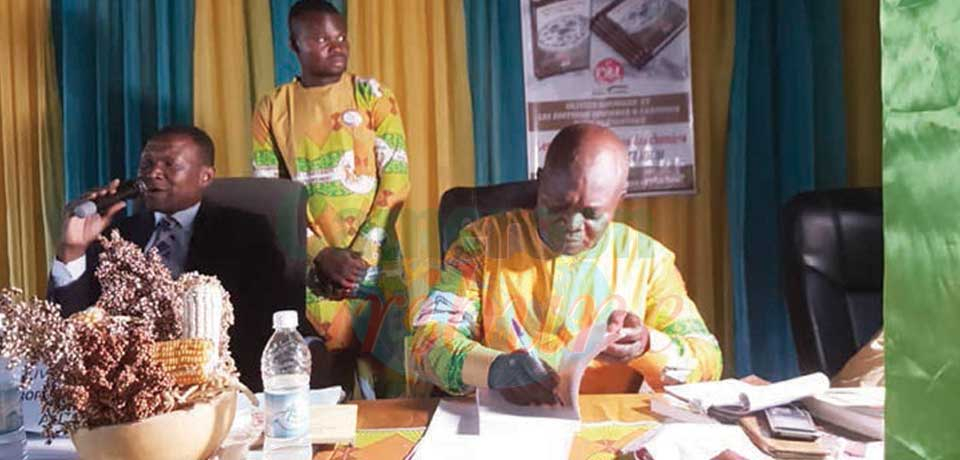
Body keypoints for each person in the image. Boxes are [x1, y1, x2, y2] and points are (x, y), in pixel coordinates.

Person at [411, 124, 722, 405]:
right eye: (556, 205)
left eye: (590, 214)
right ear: (540, 181)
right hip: (503, 428)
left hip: (605, 432)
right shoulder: (481, 244)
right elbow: (427, 343)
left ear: (619, 200)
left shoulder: (648, 261)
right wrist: (494, 369)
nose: (571, 224)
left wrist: (647, 345)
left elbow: (708, 361)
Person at [48, 125, 288, 392]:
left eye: (170, 165)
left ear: (205, 176)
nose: (153, 174)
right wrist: (73, 250)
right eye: (146, 165)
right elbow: (70, 323)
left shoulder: (246, 232)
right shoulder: (114, 236)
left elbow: (263, 320)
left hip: (212, 385)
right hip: (124, 389)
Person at [251, 0, 410, 398]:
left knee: (393, 390)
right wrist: (321, 253)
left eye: (341, 37)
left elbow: (397, 178)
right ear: (294, 44)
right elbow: (270, 196)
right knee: (325, 390)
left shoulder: (372, 94)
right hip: (314, 274)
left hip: (377, 267)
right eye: (322, 38)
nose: (336, 46)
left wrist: (363, 258)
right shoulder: (273, 107)